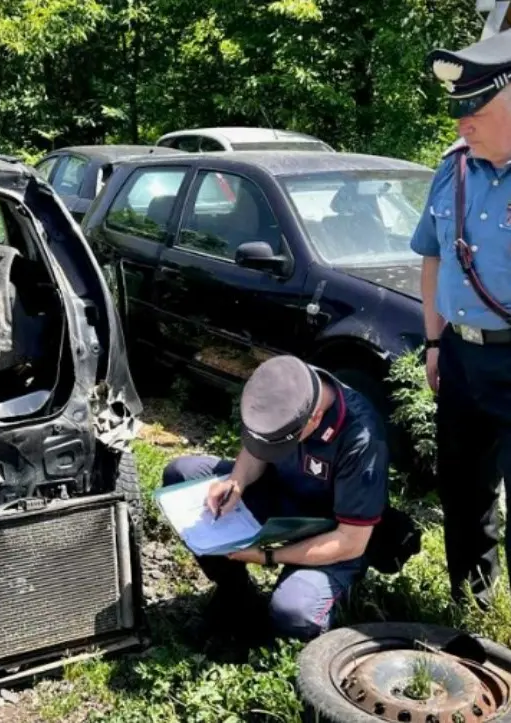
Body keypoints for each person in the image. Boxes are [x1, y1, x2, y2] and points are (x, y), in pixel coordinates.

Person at [161, 355, 389, 651]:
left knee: (295, 614)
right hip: (277, 496)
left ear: (315, 419)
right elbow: (257, 448)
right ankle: (237, 593)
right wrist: (237, 481)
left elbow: (350, 542)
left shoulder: (362, 439)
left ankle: (327, 607)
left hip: (329, 531)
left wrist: (267, 556)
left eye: (284, 441)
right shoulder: (285, 385)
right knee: (182, 475)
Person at [410, 29, 511, 607]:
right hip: (461, 356)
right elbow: (432, 255)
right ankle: (472, 604)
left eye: (475, 108)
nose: (460, 123)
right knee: (465, 486)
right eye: (457, 109)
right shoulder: (453, 170)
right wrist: (432, 342)